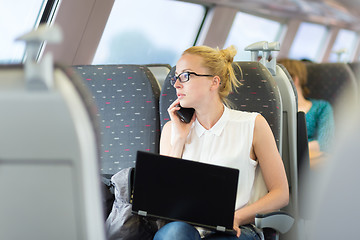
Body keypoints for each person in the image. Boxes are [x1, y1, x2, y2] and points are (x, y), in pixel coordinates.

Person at [155, 45, 289, 240]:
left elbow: (280, 193)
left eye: (185, 76)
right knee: (175, 234)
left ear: (214, 82)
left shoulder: (252, 124)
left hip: (237, 228)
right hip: (185, 229)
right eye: (176, 77)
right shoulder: (171, 130)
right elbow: (164, 201)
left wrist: (236, 217)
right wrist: (179, 141)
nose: (176, 84)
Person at [277, 59, 335, 168]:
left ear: (294, 79)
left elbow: (325, 144)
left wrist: (288, 153)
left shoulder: (322, 107)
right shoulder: (275, 109)